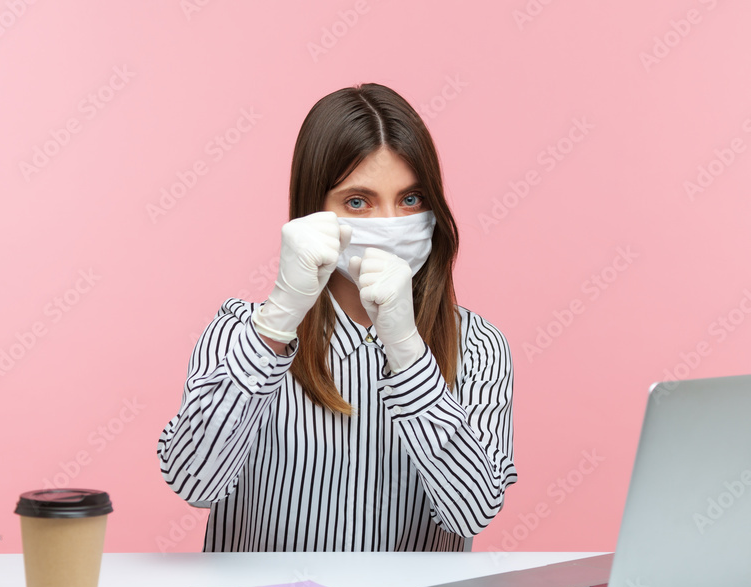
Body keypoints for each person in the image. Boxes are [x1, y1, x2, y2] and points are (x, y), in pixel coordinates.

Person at [156, 83, 517, 552]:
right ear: (315, 213)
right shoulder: (240, 333)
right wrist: (278, 321)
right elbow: (192, 483)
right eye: (358, 202)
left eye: (410, 200)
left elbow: (472, 511)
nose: (389, 223)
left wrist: (407, 350)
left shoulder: (478, 345)